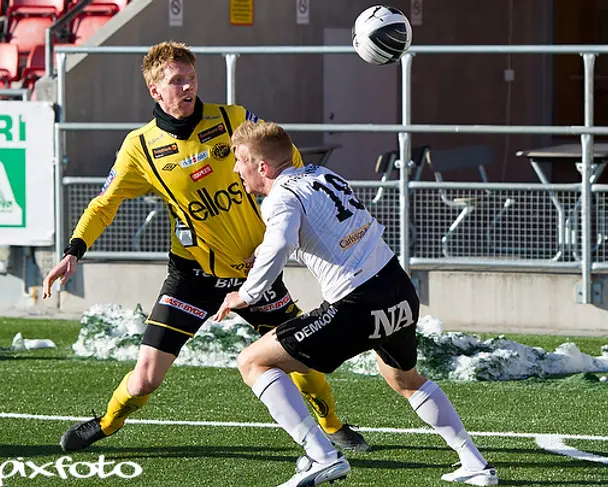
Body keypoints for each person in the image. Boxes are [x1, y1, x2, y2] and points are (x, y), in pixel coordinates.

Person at [42, 41, 368, 453]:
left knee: (300, 360)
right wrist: (74, 250)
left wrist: (277, 230)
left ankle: (333, 425)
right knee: (145, 378)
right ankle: (106, 423)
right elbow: (105, 203)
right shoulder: (139, 147)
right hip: (191, 277)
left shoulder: (231, 119)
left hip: (254, 274)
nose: (187, 87)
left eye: (191, 78)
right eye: (176, 81)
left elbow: (287, 158)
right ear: (155, 91)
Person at [214, 121, 499, 487]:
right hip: (397, 286)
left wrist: (246, 294)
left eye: (240, 161)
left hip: (356, 304)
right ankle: (474, 462)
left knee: (252, 360)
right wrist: (263, 251)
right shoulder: (321, 173)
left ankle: (321, 457)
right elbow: (322, 227)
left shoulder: (280, 197)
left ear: (263, 167)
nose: (237, 170)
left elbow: (282, 241)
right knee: (405, 379)